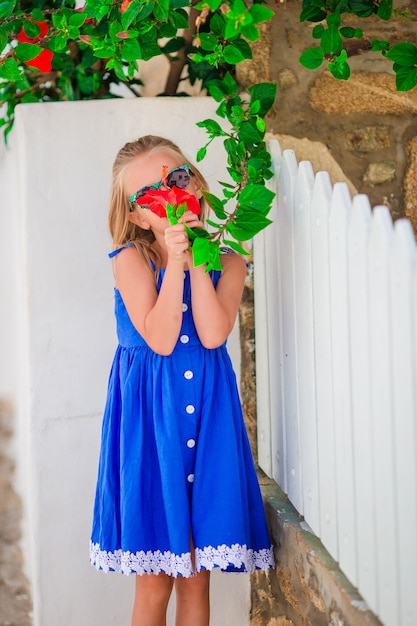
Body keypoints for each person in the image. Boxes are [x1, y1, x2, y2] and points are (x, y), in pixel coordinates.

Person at [90, 135, 274, 626]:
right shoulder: (130, 259)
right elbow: (162, 339)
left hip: (207, 420)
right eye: (149, 194)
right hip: (154, 425)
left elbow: (212, 334)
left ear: (195, 181)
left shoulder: (229, 260)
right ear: (136, 216)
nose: (170, 196)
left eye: (175, 179)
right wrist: (174, 263)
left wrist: (195, 259)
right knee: (155, 581)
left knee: (196, 574)